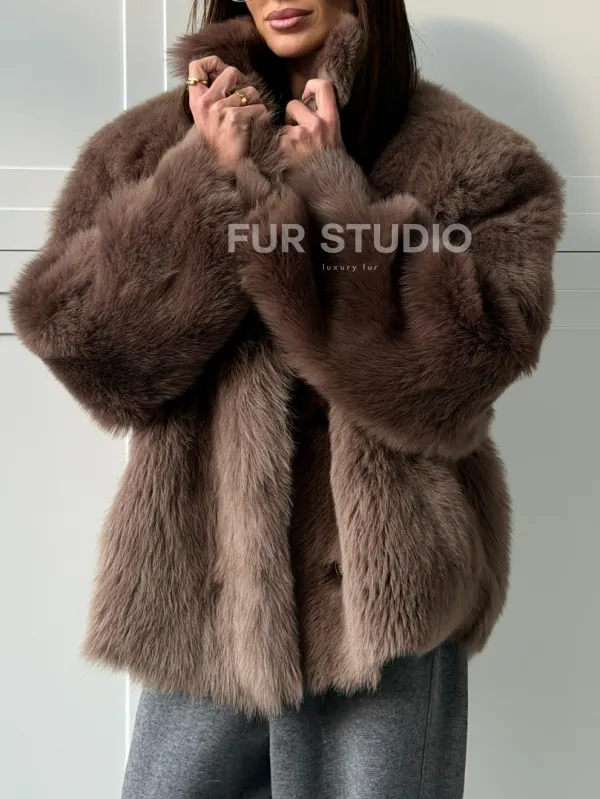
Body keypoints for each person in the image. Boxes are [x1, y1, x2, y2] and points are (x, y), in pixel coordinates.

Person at [9, 1, 565, 797]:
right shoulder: (151, 145)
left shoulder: (482, 163)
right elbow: (86, 347)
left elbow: (462, 375)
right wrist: (202, 179)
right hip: (209, 602)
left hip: (381, 613)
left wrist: (340, 199)